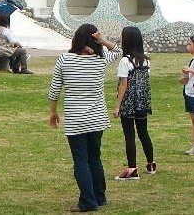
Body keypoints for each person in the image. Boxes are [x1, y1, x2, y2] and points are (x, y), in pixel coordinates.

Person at [48, 24, 121, 213]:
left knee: (81, 160)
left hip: (75, 119)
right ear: (93, 40)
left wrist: (53, 112)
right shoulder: (100, 59)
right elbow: (119, 51)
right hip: (97, 118)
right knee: (95, 158)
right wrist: (103, 40)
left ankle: (88, 201)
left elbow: (54, 90)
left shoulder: (65, 59)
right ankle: (99, 196)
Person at [112, 26, 154, 180]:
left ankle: (132, 169)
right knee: (143, 133)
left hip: (129, 103)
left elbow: (124, 84)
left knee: (129, 135)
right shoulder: (145, 60)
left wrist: (117, 106)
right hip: (142, 101)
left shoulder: (125, 60)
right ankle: (151, 163)